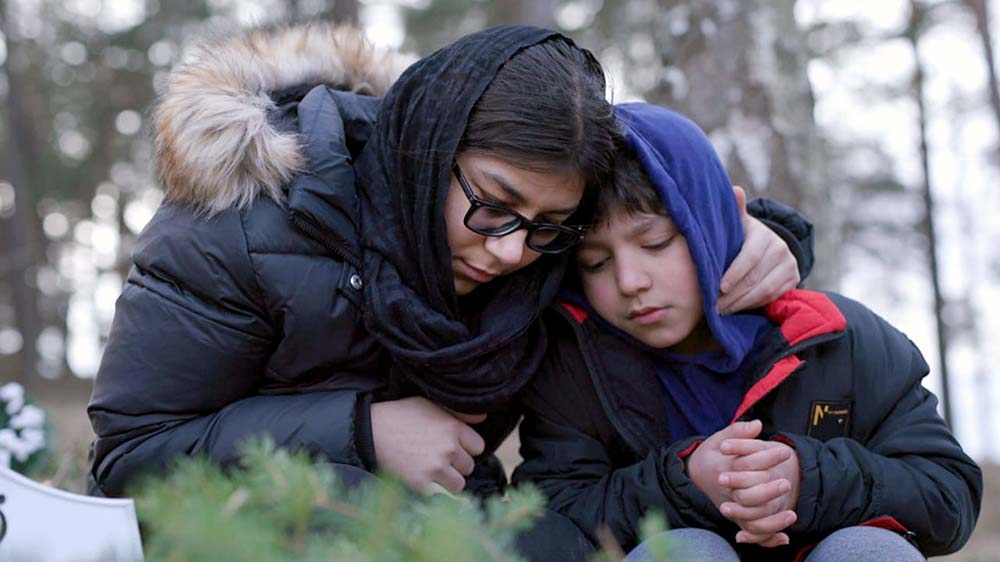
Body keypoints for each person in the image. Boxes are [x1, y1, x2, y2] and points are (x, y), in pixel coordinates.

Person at [86, 23, 808, 560]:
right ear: (429, 148)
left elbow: (652, 196)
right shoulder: (243, 225)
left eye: (549, 226)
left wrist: (762, 236)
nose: (508, 252)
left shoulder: (532, 256)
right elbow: (129, 459)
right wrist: (362, 430)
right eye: (492, 203)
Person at [511, 103, 982, 562]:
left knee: (869, 552)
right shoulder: (575, 366)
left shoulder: (836, 337)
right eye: (596, 262)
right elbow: (554, 516)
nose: (630, 281)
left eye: (655, 243)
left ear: (719, 221)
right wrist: (686, 483)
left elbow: (948, 495)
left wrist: (807, 480)